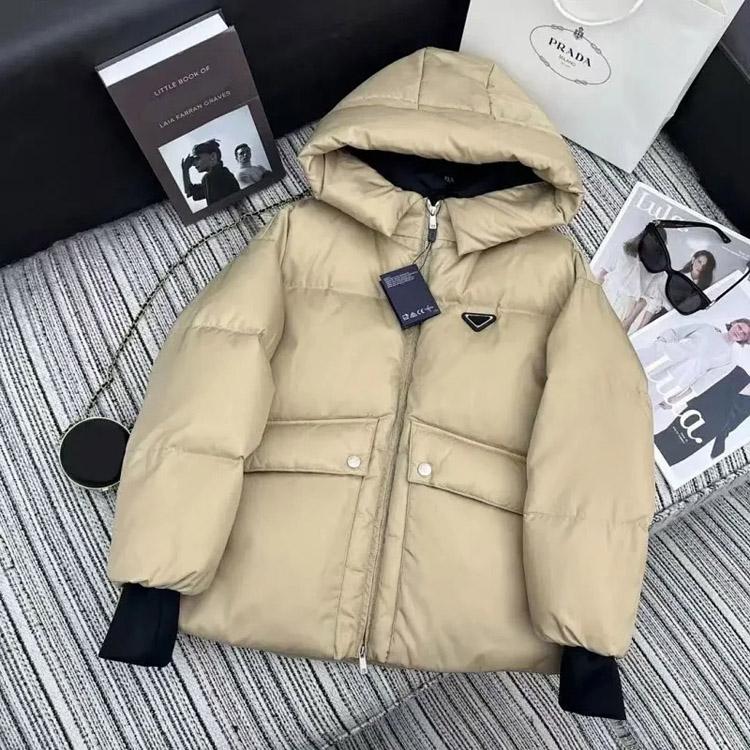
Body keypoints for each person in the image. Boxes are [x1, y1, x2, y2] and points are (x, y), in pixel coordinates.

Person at [636, 318, 750, 412]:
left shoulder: (728, 360)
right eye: (739, 327)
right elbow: (676, 333)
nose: (739, 332)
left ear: (744, 339)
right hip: (659, 358)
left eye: (744, 334)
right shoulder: (707, 328)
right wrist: (660, 342)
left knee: (637, 401)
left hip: (672, 380)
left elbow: (702, 384)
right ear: (734, 323)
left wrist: (676, 399)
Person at [596, 226, 668, 333]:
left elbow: (644, 299)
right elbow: (602, 273)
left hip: (625, 307)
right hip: (606, 292)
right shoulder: (623, 249)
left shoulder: (657, 269)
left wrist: (629, 321)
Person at [182, 140, 240, 206]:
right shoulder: (223, 174)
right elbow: (190, 192)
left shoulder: (211, 177)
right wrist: (185, 170)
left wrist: (185, 170)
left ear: (213, 156)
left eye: (198, 158)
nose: (194, 164)